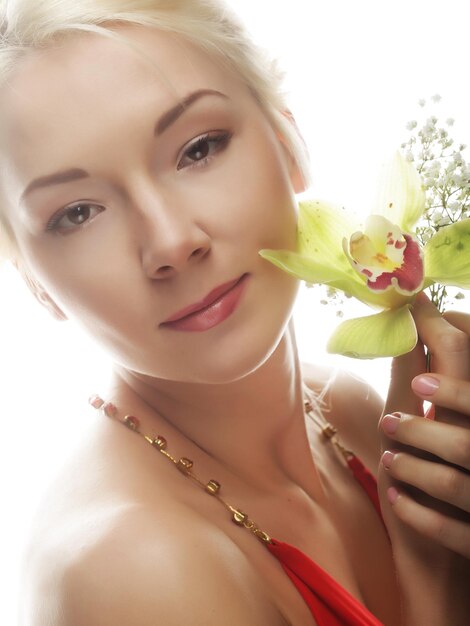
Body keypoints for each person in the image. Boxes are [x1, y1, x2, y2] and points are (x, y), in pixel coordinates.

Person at [0, 1, 469, 624]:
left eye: (198, 148)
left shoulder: (352, 414)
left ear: (289, 142)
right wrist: (438, 585)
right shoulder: (131, 571)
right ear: (34, 283)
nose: (170, 242)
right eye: (76, 213)